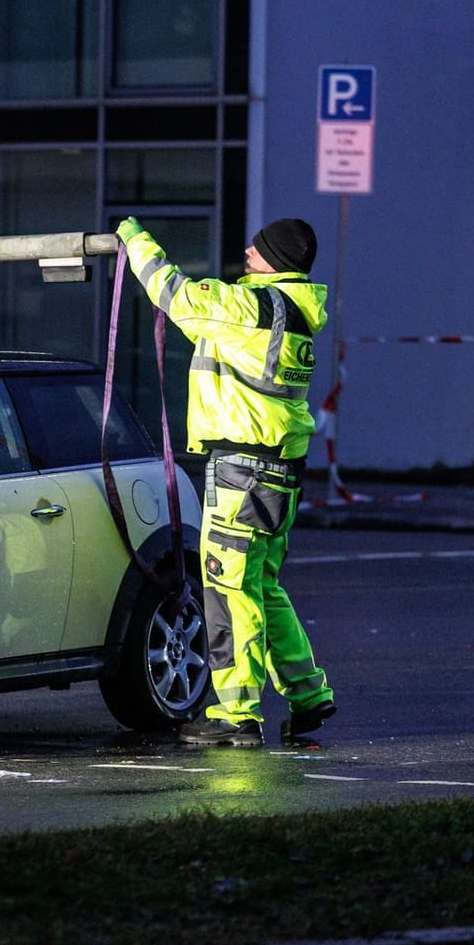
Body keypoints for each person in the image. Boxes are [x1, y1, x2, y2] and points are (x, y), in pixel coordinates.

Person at [117, 215, 337, 747]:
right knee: (262, 588)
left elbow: (175, 293)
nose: (247, 250)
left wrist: (131, 237)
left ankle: (236, 714)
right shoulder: (287, 313)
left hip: (240, 472)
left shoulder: (249, 305)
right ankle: (309, 694)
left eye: (258, 248)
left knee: (229, 589)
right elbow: (208, 328)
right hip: (280, 473)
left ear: (277, 260)